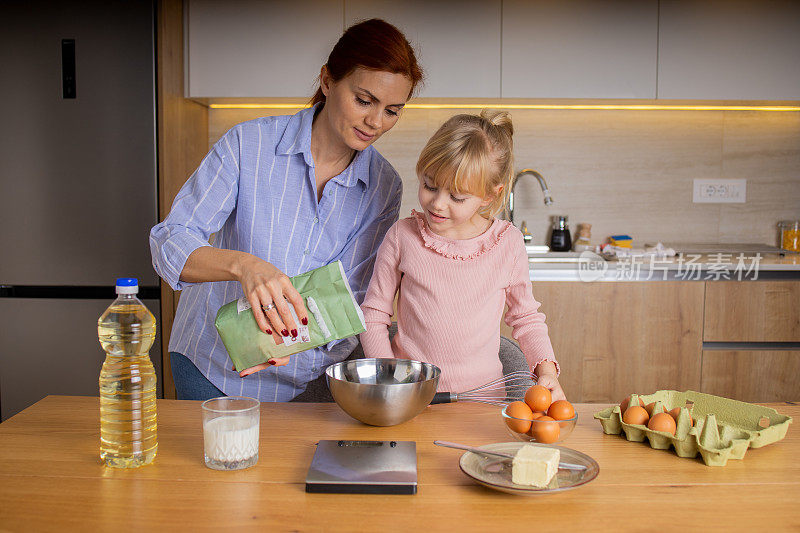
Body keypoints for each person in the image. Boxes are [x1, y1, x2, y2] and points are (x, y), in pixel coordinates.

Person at [149, 19, 423, 401]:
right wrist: (245, 266)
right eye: (364, 100)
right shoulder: (248, 144)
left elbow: (352, 295)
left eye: (393, 110)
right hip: (211, 365)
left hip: (301, 377)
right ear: (327, 81)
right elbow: (169, 242)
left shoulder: (384, 185)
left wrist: (277, 345)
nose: (376, 123)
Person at [359, 110, 566, 400]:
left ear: (490, 196)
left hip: (483, 400)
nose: (438, 204)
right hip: (410, 395)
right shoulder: (402, 236)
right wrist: (386, 375)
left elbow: (526, 318)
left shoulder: (508, 243)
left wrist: (547, 372)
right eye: (429, 185)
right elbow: (373, 313)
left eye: (457, 197)